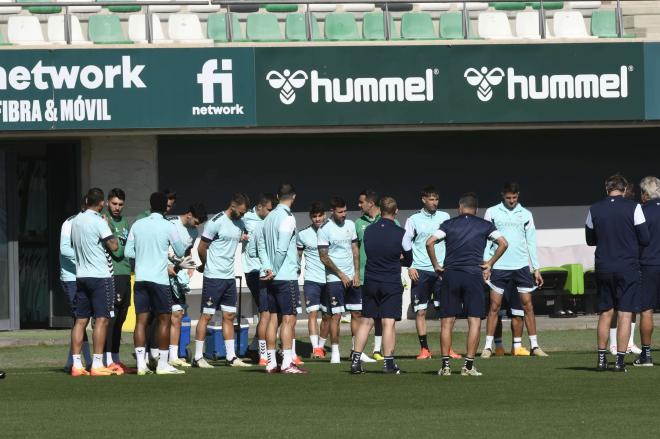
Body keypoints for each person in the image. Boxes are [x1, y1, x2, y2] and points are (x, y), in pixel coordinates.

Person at [426, 193, 508, 377]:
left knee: (447, 321)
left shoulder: (449, 224)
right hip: (473, 275)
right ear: (476, 210)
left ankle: (446, 366)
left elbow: (429, 242)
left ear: (459, 208)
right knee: (474, 321)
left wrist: (436, 266)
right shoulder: (485, 225)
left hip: (451, 274)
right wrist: (490, 263)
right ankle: (468, 366)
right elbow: (503, 243)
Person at [586, 174, 649, 372]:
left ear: (607, 189)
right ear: (623, 189)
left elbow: (590, 239)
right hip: (627, 266)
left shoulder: (594, 209)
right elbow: (645, 238)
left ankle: (601, 359)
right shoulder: (634, 207)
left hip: (604, 266)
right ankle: (620, 361)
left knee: (605, 313)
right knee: (625, 313)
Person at [481, 182, 548, 357]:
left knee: (528, 305)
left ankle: (534, 346)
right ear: (502, 196)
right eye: (508, 198)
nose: (511, 201)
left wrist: (536, 269)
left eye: (514, 197)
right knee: (494, 307)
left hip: (521, 267)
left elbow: (531, 242)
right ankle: (488, 347)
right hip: (499, 267)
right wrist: (487, 264)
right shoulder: (492, 212)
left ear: (518, 195)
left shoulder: (526, 214)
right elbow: (486, 239)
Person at [126, 192, 187, 375]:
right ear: (165, 207)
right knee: (164, 320)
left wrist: (144, 256)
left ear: (150, 205)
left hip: (141, 278)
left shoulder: (137, 224)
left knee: (141, 321)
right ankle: (162, 364)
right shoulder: (168, 226)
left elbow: (129, 252)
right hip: (159, 280)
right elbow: (180, 250)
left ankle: (141, 365)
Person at [351, 196, 412, 374]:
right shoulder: (401, 232)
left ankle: (355, 361)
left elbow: (368, 251)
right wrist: (398, 257)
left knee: (366, 320)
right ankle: (388, 363)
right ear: (396, 211)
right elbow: (409, 258)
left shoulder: (368, 230)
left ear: (380, 210)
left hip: (371, 280)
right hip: (390, 281)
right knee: (388, 322)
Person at [193, 193, 251, 368]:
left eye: (244, 213)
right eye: (240, 212)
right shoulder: (215, 222)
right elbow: (202, 248)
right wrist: (205, 265)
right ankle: (197, 357)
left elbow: (234, 238)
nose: (242, 216)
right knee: (207, 315)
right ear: (232, 206)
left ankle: (231, 357)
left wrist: (242, 238)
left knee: (229, 315)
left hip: (229, 277)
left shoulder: (240, 223)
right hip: (213, 276)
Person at [69, 188, 121, 377]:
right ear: (101, 204)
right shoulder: (99, 221)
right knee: (102, 319)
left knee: (81, 320)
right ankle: (97, 364)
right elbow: (114, 246)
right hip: (100, 276)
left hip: (81, 275)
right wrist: (108, 227)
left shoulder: (76, 220)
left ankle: (76, 365)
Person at [402, 186, 455, 360]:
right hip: (421, 271)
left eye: (436, 199)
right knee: (421, 312)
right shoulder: (413, 219)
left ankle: (448, 349)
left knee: (446, 312)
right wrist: (410, 265)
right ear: (423, 199)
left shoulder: (445, 217)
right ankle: (424, 349)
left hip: (441, 271)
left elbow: (451, 241)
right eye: (431, 199)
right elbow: (405, 242)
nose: (434, 202)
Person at [258, 183, 306, 373]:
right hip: (284, 276)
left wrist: (267, 268)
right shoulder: (287, 218)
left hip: (269, 276)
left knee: (273, 319)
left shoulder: (268, 218)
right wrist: (275, 269)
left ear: (278, 196)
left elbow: (261, 246)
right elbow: (282, 248)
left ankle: (270, 363)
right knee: (288, 319)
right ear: (293, 197)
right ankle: (287, 363)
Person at [318, 197, 364, 364]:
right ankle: (335, 352)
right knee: (336, 315)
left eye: (345, 211)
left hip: (352, 277)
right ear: (332, 211)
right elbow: (324, 257)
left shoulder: (351, 225)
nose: (344, 215)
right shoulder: (324, 228)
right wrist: (341, 275)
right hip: (334, 279)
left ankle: (356, 351)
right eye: (340, 212)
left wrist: (356, 274)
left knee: (357, 313)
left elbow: (355, 250)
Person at [167, 203, 208, 368]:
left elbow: (187, 252)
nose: (197, 225)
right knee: (161, 317)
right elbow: (162, 247)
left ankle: (173, 355)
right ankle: (154, 354)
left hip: (178, 277)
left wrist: (190, 266)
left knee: (178, 314)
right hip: (163, 275)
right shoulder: (171, 224)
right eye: (196, 221)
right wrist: (166, 266)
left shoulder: (193, 231)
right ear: (189, 214)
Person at [608, 182, 643, 355]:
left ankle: (629, 342)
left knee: (632, 307)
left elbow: (643, 236)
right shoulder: (609, 211)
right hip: (615, 265)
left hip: (631, 264)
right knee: (616, 307)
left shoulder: (635, 209)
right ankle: (614, 344)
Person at [102, 188, 134, 373]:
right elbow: (118, 250)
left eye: (120, 204)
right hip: (112, 273)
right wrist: (122, 247)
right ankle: (107, 358)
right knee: (111, 318)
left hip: (125, 272)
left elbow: (127, 249)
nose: (117, 207)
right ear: (107, 203)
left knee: (122, 316)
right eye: (114, 204)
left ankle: (115, 356)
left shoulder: (124, 222)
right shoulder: (104, 221)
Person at [243, 193, 276, 366]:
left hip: (267, 270)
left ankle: (255, 348)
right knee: (267, 313)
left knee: (269, 313)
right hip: (253, 271)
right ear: (260, 207)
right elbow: (233, 225)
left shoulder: (269, 221)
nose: (271, 213)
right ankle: (263, 353)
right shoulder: (247, 217)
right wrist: (239, 235)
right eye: (269, 209)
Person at [60, 198, 91, 372]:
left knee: (80, 319)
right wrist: (85, 260)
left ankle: (71, 362)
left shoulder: (94, 223)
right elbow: (64, 250)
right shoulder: (69, 223)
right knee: (81, 318)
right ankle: (86, 360)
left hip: (88, 276)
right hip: (71, 277)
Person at [355, 190, 385, 361]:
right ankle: (359, 352)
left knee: (383, 316)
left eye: (361, 202)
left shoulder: (390, 221)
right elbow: (356, 251)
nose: (359, 205)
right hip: (365, 276)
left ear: (371, 203)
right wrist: (356, 273)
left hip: (385, 276)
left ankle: (378, 350)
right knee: (366, 315)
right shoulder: (358, 223)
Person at [297, 202, 329, 359]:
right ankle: (315, 348)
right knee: (312, 314)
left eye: (320, 216)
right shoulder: (303, 234)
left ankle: (321, 347)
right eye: (314, 216)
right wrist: (296, 270)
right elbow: (298, 255)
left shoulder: (332, 231)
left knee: (327, 316)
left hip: (330, 279)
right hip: (311, 279)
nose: (317, 219)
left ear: (325, 215)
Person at [635, 176, 660, 366]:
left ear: (645, 194)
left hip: (648, 264)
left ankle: (646, 355)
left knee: (646, 310)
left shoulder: (641, 211)